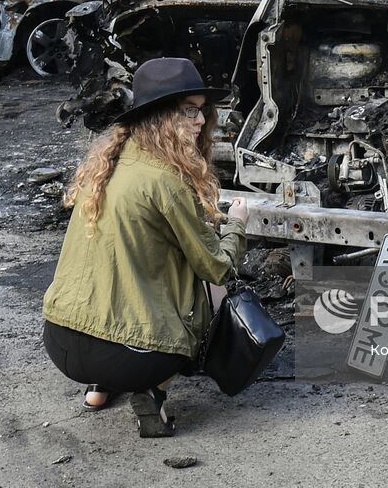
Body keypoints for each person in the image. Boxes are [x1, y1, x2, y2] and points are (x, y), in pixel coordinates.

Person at [42, 57, 249, 437]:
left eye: (203, 111)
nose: (202, 122)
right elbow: (216, 266)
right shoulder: (166, 179)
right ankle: (152, 392)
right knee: (212, 294)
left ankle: (98, 390)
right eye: (190, 112)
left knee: (118, 276)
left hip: (60, 340)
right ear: (160, 117)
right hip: (132, 358)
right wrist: (238, 222)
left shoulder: (104, 165)